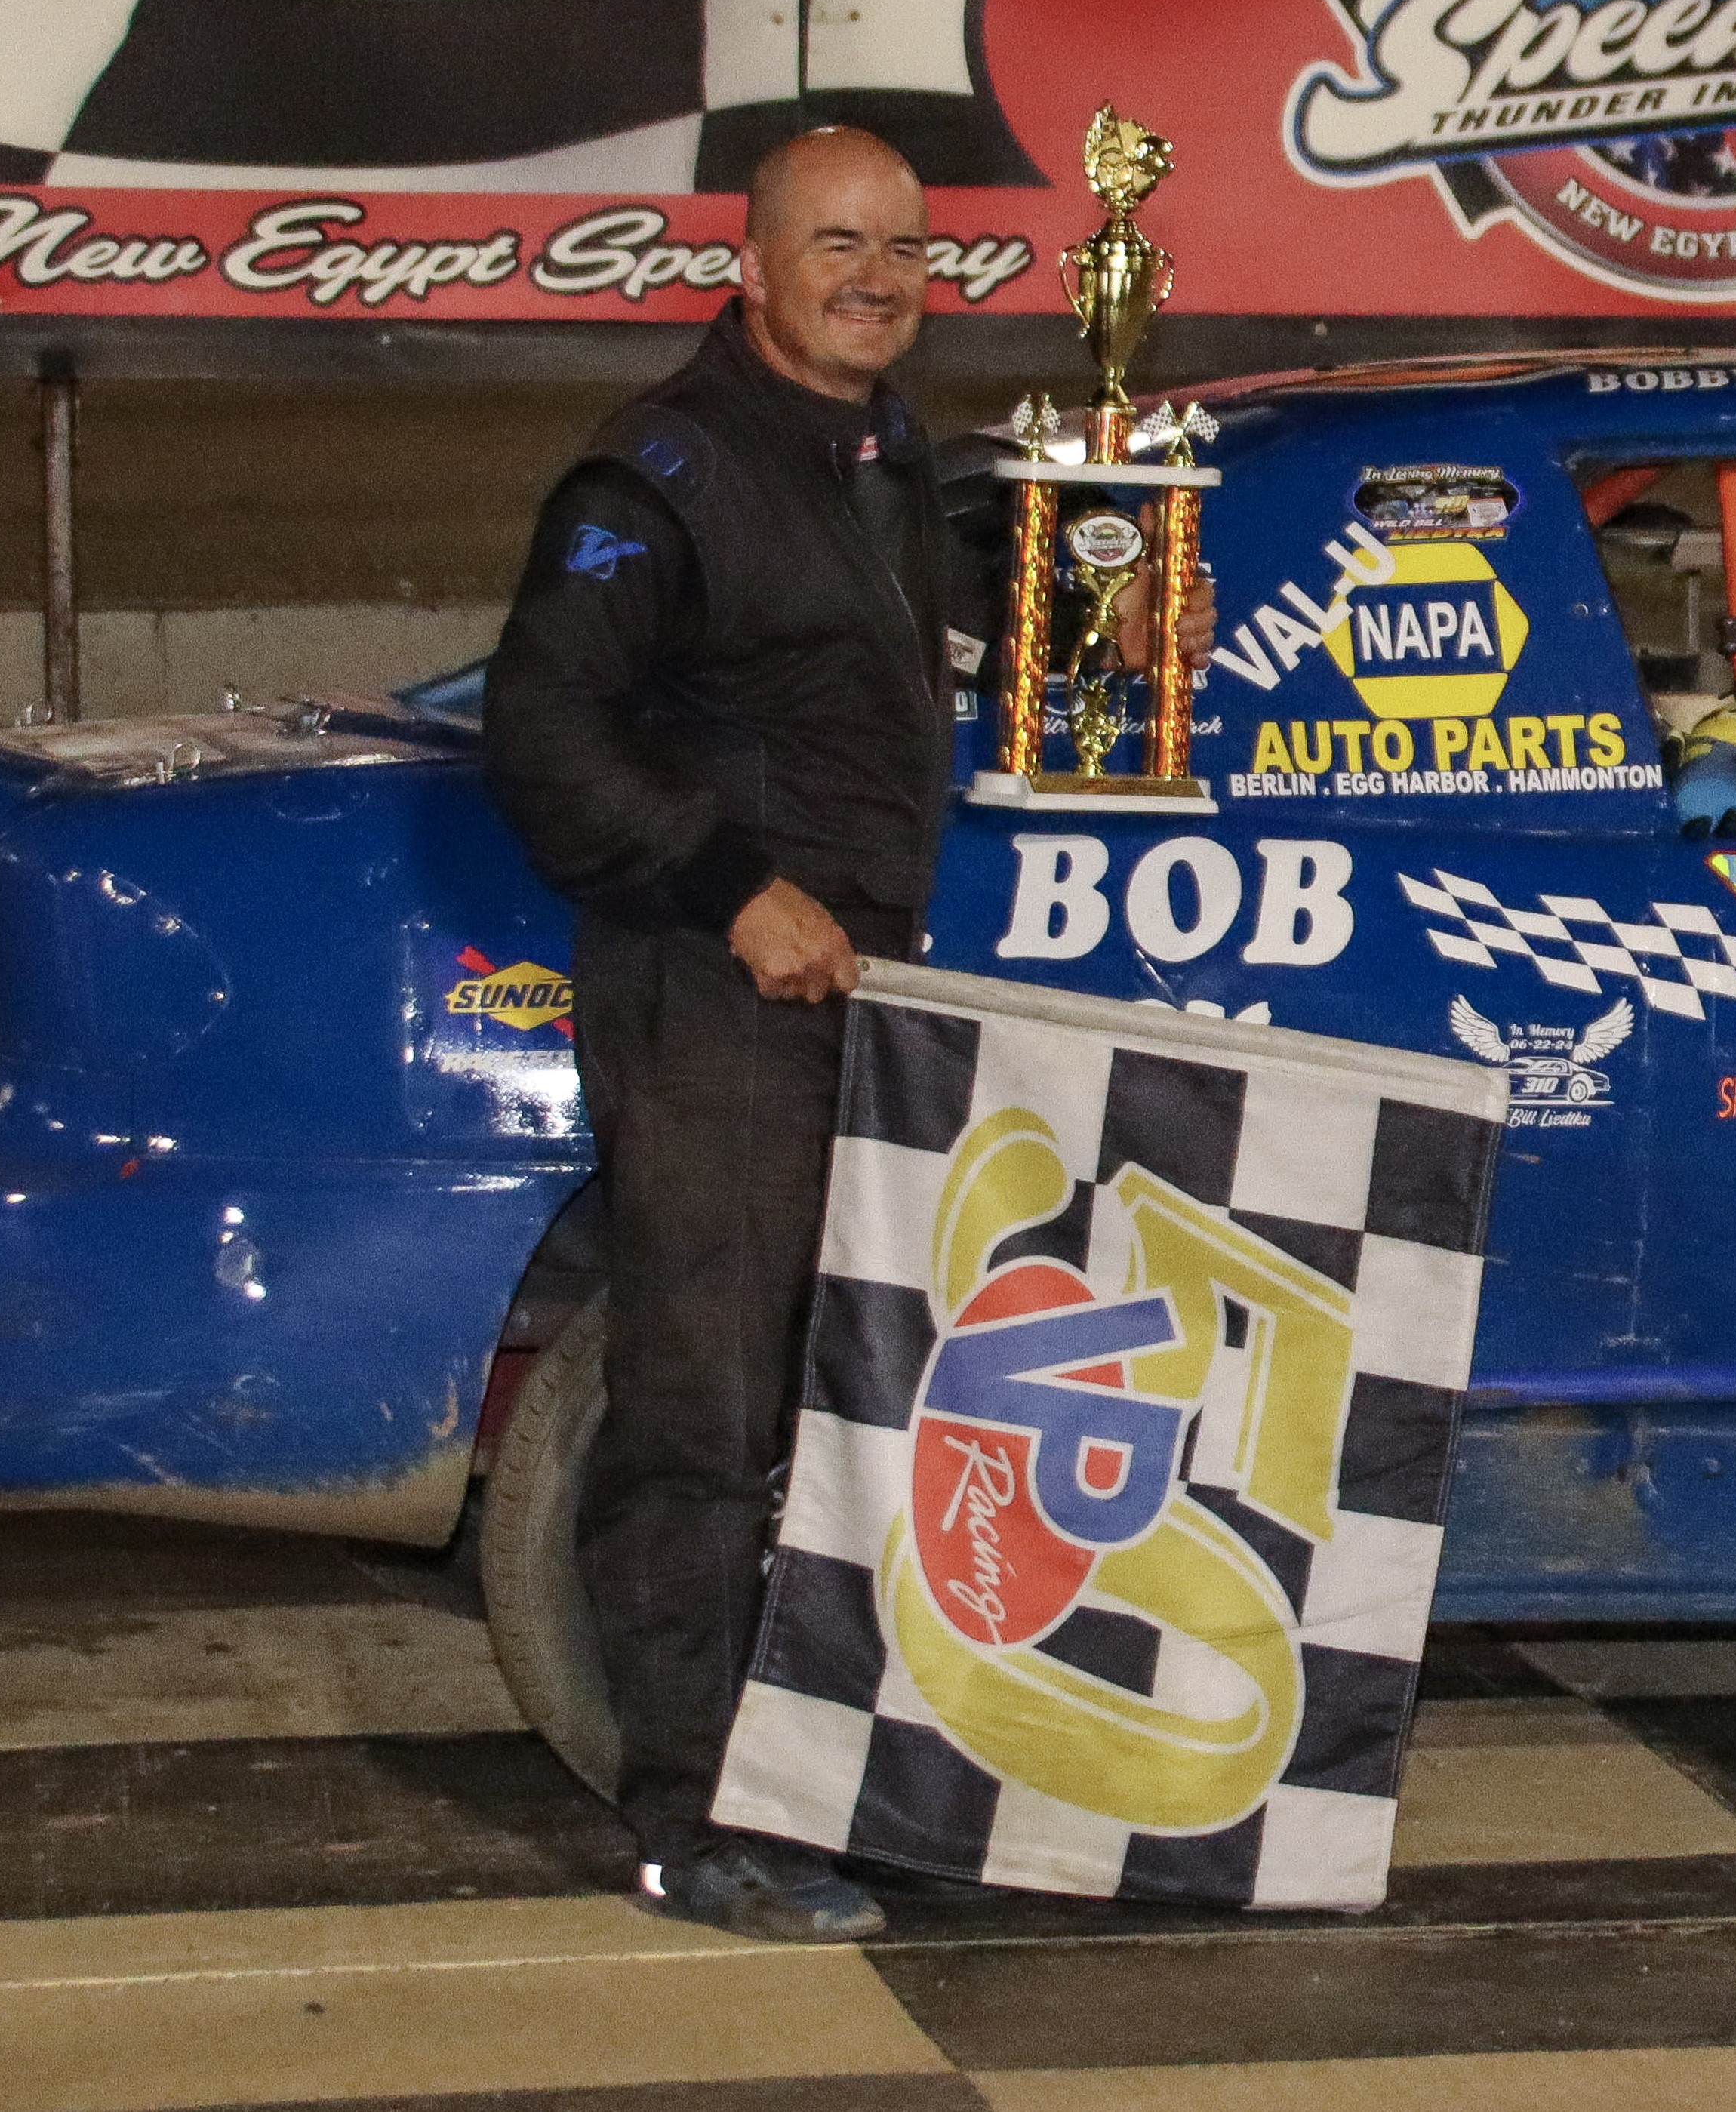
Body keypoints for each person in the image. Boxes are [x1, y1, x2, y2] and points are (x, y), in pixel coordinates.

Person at [483, 126, 1202, 1940]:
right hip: (713, 991)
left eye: (904, 249)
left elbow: (934, 668)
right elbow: (543, 728)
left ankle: (801, 1784)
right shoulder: (664, 467)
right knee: (707, 1408)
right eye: (837, 245)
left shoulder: (877, 456)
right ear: (750, 266)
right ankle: (692, 1824)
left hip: (855, 993)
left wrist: (1114, 620)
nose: (877, 278)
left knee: (824, 1403)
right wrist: (732, 885)